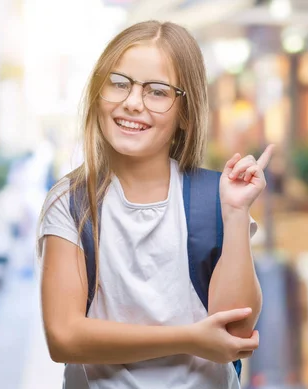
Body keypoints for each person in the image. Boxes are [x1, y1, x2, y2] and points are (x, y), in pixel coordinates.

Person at [36, 20, 273, 388]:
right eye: (119, 83)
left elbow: (236, 331)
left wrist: (237, 212)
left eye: (157, 92)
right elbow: (64, 337)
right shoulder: (71, 202)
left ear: (186, 114)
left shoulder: (215, 196)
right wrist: (189, 339)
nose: (132, 103)